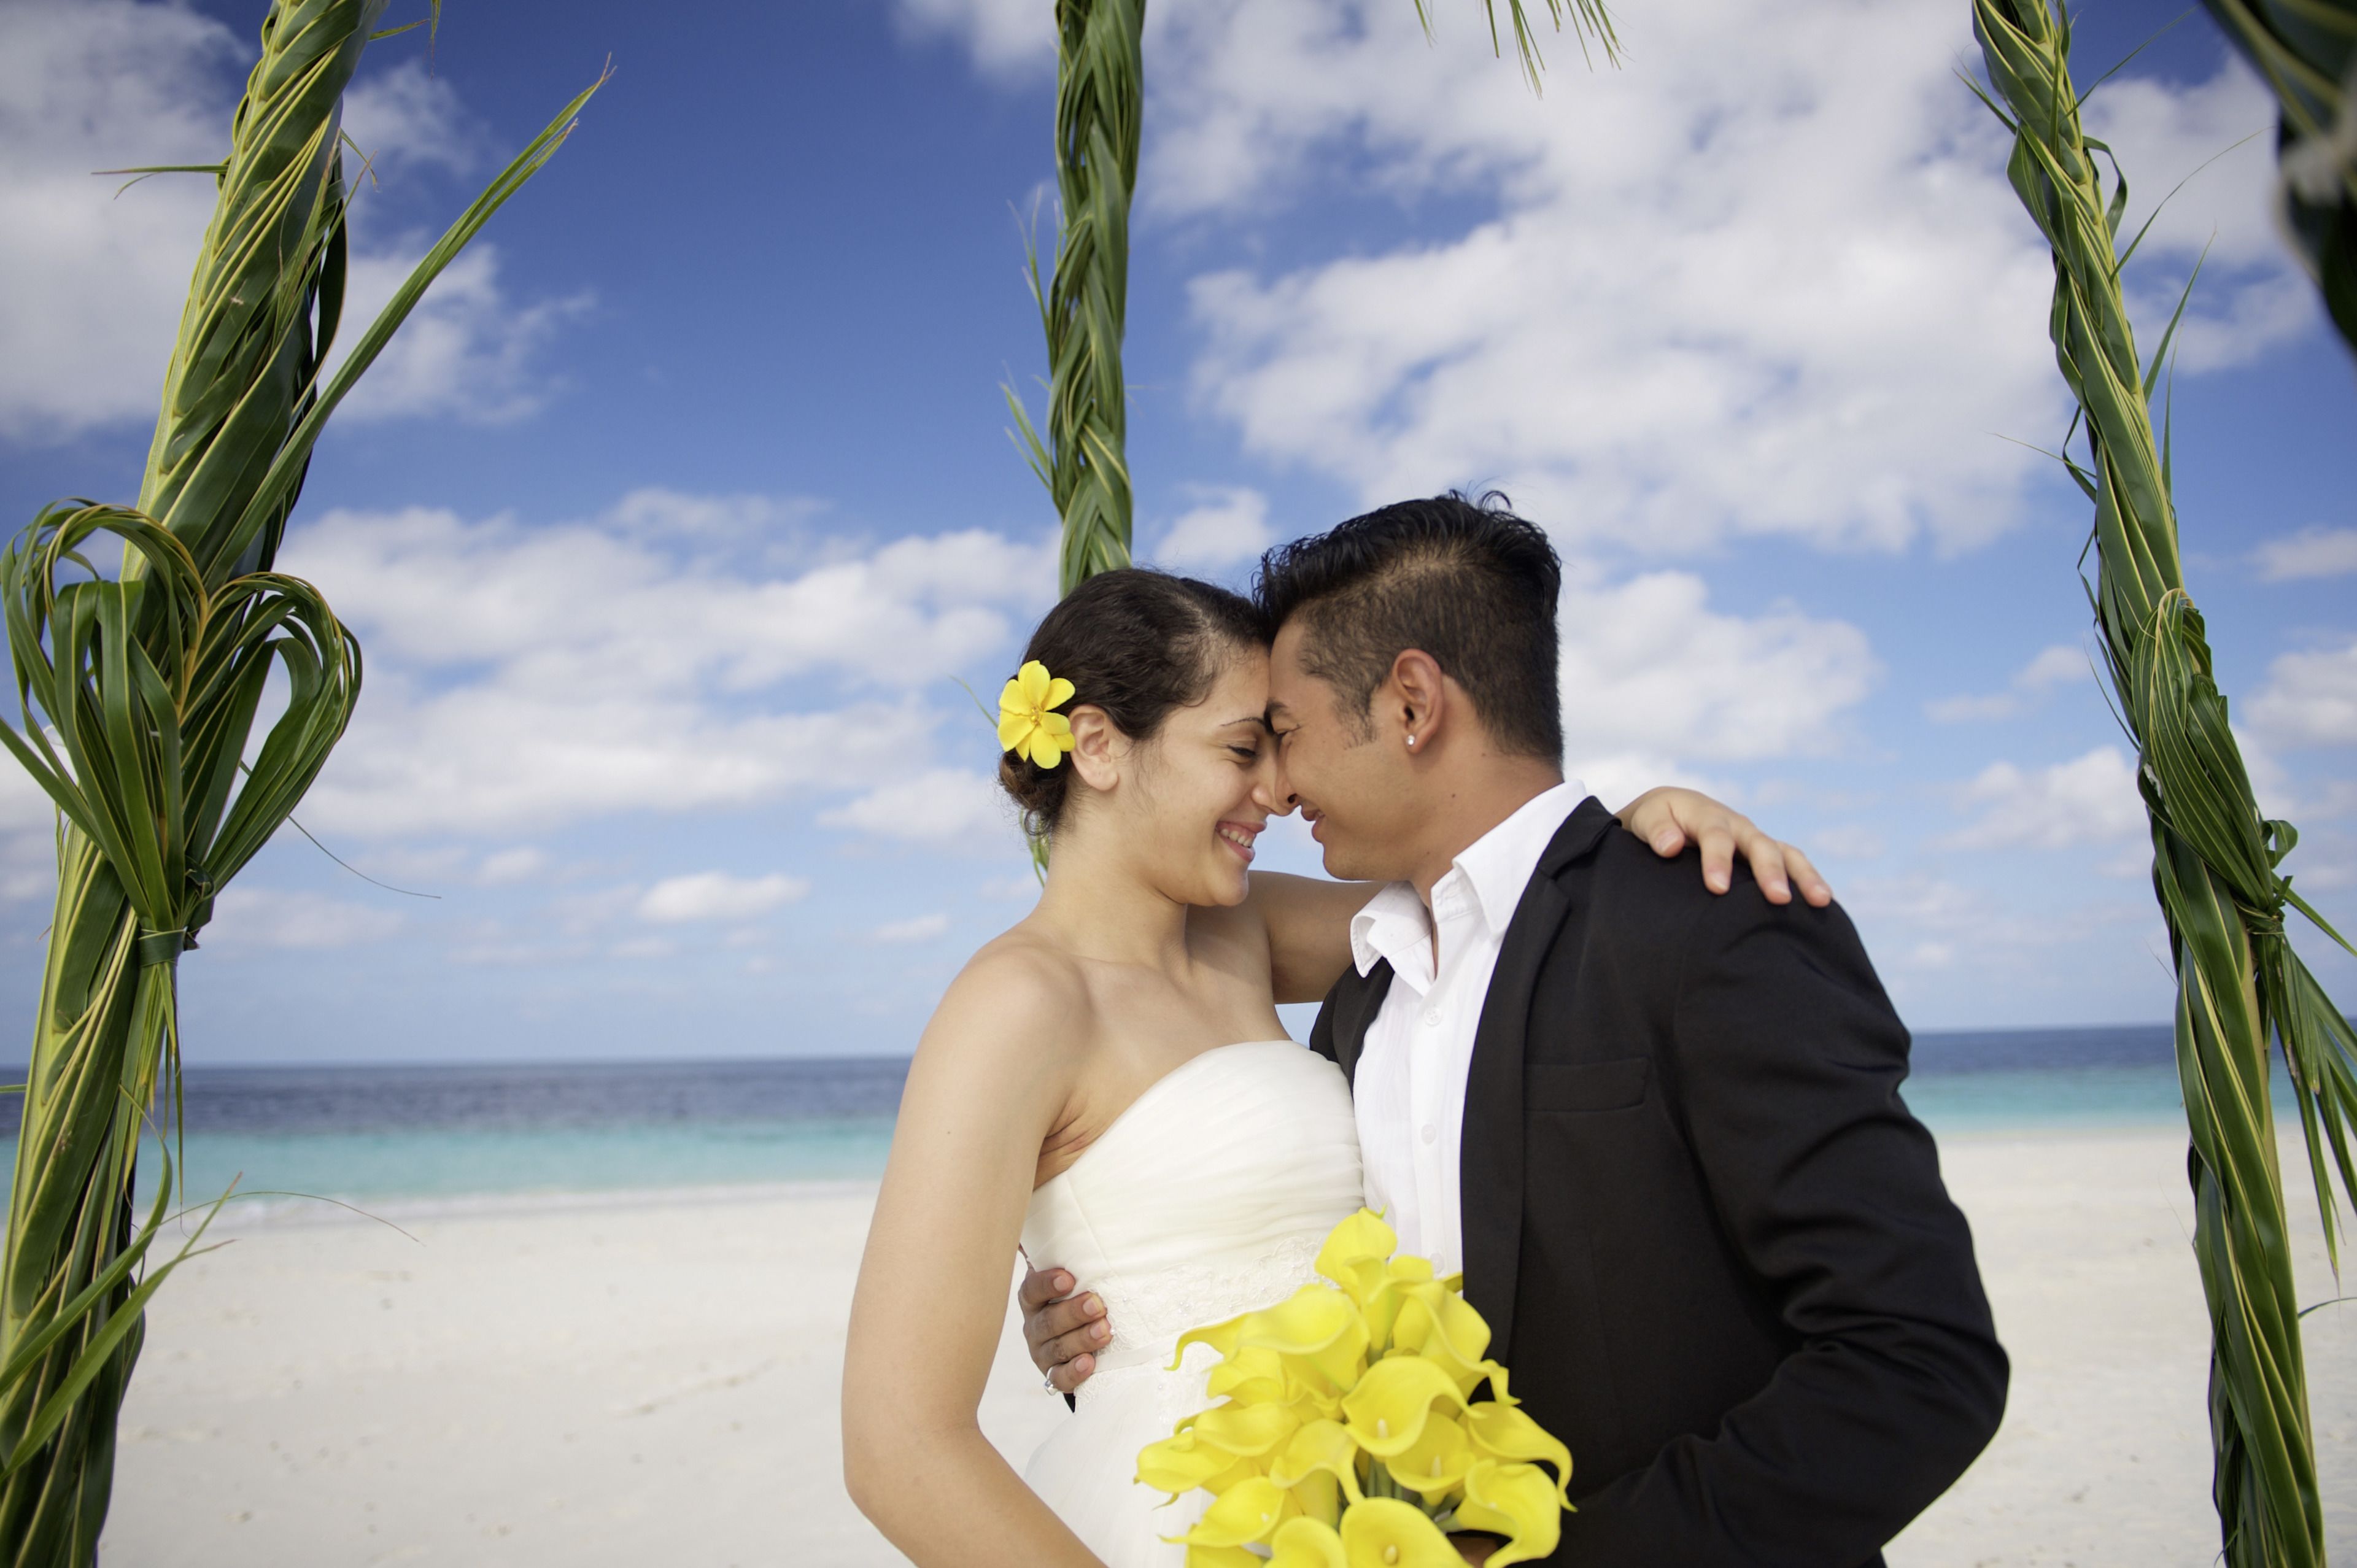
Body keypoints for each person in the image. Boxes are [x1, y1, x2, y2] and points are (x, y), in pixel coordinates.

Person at [1024, 495, 2008, 1566]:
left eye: (1289, 734)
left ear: (1412, 704)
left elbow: (1919, 1359)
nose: (1281, 783)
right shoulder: (1363, 988)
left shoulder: (1705, 923)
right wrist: (1116, 1316)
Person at [840, 565, 1825, 1568]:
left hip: (1364, 1494)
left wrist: (1635, 830)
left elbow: (1501, 904)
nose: (1277, 790)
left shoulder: (1245, 929)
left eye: (1279, 748)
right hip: (1176, 1517)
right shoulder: (1015, 1004)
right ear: (1096, 745)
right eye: (1242, 750)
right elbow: (897, 1447)